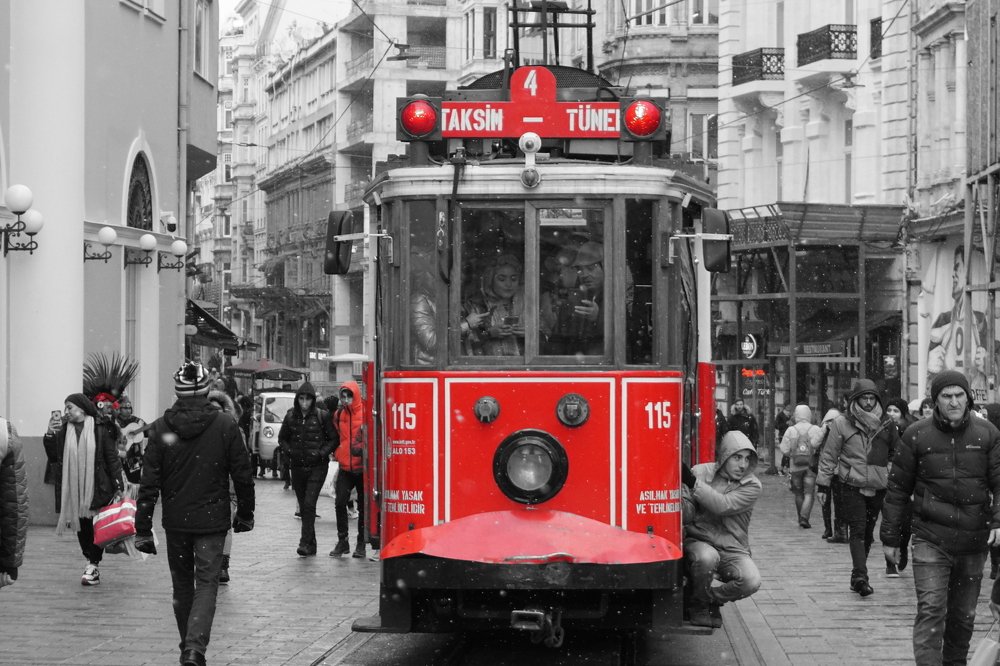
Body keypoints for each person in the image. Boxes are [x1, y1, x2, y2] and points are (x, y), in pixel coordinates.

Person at [135, 362, 255, 666]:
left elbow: (149, 482)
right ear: (205, 390)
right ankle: (194, 648)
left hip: (176, 522)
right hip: (212, 521)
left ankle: (188, 646)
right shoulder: (226, 425)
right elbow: (242, 474)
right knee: (206, 583)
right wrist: (245, 513)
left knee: (182, 586)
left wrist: (143, 528)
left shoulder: (161, 427)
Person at [880, 370, 1000, 665]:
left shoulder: (987, 434)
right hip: (930, 537)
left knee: (963, 617)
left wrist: (998, 520)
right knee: (932, 609)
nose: (954, 402)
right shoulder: (917, 434)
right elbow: (897, 489)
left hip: (974, 538)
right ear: (935, 401)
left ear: (968, 398)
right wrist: (891, 538)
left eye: (959, 395)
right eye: (946, 396)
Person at [816, 379, 900, 597]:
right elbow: (829, 455)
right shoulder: (842, 423)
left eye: (872, 398)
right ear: (856, 399)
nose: (869, 402)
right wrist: (823, 485)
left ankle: (857, 576)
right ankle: (861, 575)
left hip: (877, 484)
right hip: (850, 484)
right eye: (865, 398)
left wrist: (887, 472)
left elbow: (895, 453)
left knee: (869, 533)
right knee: (858, 530)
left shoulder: (887, 423)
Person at [680, 430, 763, 629]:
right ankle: (699, 606)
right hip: (699, 540)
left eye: (746, 459)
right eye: (737, 457)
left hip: (732, 546)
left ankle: (707, 599)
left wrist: (691, 483)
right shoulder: (700, 471)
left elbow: (723, 505)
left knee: (751, 580)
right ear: (725, 455)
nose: (743, 465)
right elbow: (686, 510)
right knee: (707, 557)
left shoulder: (752, 485)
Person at [43, 393, 124, 586]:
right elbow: (54, 457)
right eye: (65, 408)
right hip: (74, 486)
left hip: (98, 485)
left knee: (98, 527)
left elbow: (111, 457)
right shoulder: (63, 430)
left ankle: (92, 563)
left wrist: (118, 485)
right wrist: (49, 434)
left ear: (82, 408)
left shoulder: (99, 429)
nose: (66, 412)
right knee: (82, 527)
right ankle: (90, 560)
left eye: (69, 407)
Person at [278, 381, 336, 557]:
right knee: (304, 506)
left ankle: (304, 542)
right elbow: (282, 439)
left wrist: (321, 454)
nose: (304, 403)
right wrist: (291, 452)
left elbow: (333, 439)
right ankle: (311, 543)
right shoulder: (290, 417)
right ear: (297, 400)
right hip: (297, 466)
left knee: (309, 504)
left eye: (307, 399)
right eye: (301, 399)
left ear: (312, 400)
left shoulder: (322, 416)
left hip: (317, 466)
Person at [540, 241, 606, 355]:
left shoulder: (615, 298)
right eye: (580, 269)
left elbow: (623, 335)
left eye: (591, 268)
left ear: (606, 268)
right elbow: (557, 340)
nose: (584, 274)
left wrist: (598, 318)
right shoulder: (574, 298)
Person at [207, 389, 245, 584]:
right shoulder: (200, 430)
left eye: (218, 409)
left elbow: (241, 463)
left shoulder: (234, 431)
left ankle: (223, 565)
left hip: (227, 488)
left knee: (225, 527)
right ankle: (210, 562)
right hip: (204, 486)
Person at [330, 380, 367, 559]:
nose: (346, 399)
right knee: (339, 502)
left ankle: (361, 542)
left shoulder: (366, 412)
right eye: (343, 396)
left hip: (363, 468)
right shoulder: (339, 415)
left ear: (355, 395)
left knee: (363, 506)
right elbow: (338, 435)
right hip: (345, 466)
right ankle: (342, 540)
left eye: (349, 395)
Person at [463, 253, 525, 356]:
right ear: (490, 279)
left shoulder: (527, 305)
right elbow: (463, 340)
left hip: (524, 369)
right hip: (488, 367)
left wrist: (530, 334)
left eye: (514, 279)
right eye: (502, 279)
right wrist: (488, 333)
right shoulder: (476, 305)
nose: (508, 284)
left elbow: (547, 337)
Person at [883, 397, 915, 578]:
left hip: (907, 483)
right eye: (889, 410)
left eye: (896, 411)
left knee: (906, 524)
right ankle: (889, 563)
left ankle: (902, 548)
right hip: (888, 482)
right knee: (890, 522)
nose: (891, 414)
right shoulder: (882, 429)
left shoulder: (911, 431)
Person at [778, 405, 823, 529]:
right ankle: (805, 518)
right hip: (810, 466)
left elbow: (784, 449)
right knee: (809, 493)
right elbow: (818, 445)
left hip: (795, 467)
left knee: (798, 493)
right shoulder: (815, 429)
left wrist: (794, 454)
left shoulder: (791, 430)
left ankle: (800, 517)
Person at [0, 416, 28, 590]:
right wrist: (10, 562)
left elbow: (14, 503)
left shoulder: (4, 432)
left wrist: (9, 561)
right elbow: (15, 505)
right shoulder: (4, 431)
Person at [815, 408, 847, 542]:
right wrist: (823, 430)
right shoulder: (822, 430)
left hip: (839, 471)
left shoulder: (843, 431)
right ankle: (828, 528)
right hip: (825, 471)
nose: (832, 423)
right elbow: (814, 444)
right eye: (830, 421)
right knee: (825, 502)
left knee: (839, 502)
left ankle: (839, 530)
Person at [774, 404, 792, 475]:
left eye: (789, 411)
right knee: (786, 452)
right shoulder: (780, 415)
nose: (788, 413)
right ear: (784, 410)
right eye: (787, 411)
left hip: (789, 435)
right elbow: (776, 425)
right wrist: (785, 424)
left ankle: (784, 468)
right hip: (782, 435)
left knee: (788, 452)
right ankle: (783, 468)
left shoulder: (790, 416)